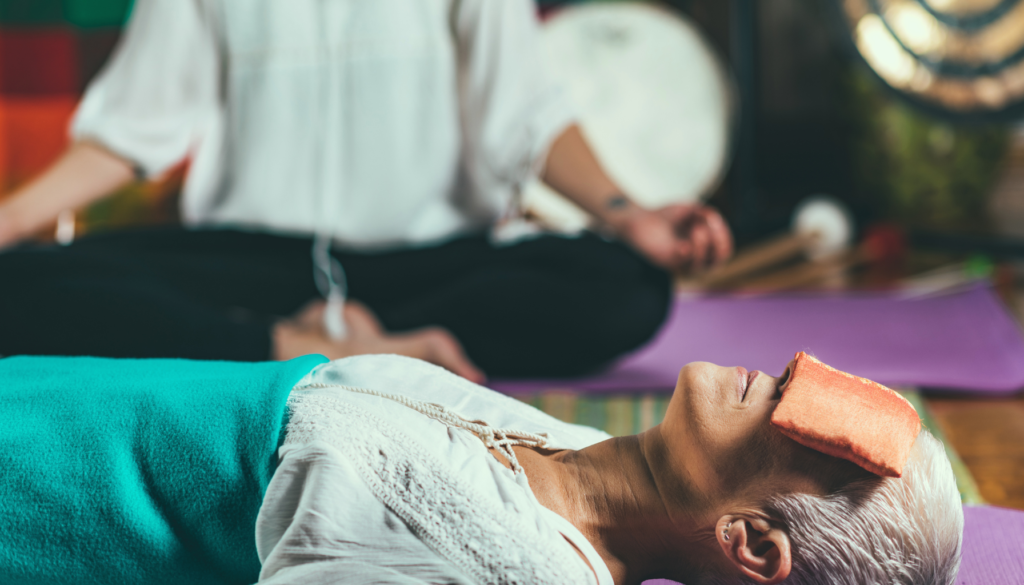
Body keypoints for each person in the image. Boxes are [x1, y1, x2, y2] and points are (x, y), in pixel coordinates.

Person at [0, 0, 732, 381]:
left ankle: (283, 346)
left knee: (626, 286)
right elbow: (133, 128)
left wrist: (627, 214)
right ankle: (310, 346)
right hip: (253, 260)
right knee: (14, 284)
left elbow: (526, 117)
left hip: (425, 264)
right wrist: (11, 219)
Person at [0, 353, 964, 584]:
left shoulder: (508, 562)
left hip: (49, 482)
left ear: (752, 539)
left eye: (809, 430)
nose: (792, 370)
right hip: (68, 390)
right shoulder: (598, 460)